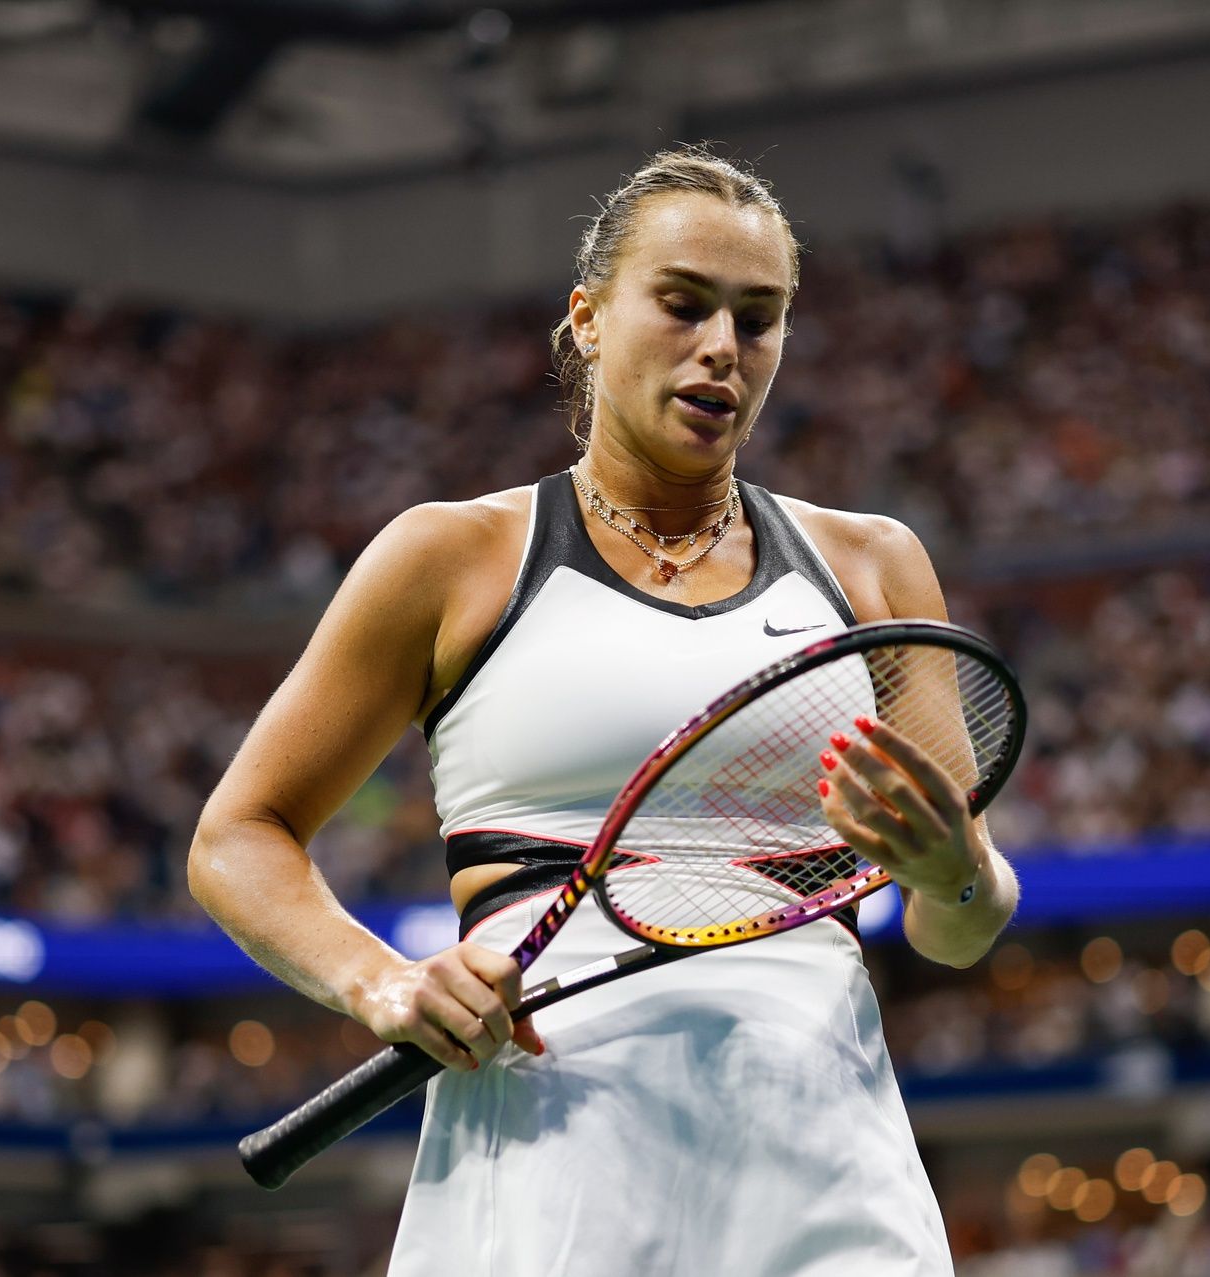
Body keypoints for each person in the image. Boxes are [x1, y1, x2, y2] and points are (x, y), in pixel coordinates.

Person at [189, 145, 1020, 1276]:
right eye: (681, 304)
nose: (722, 347)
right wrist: (381, 980)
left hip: (825, 1151)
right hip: (548, 1141)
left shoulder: (874, 565)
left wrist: (948, 868)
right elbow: (238, 835)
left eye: (759, 317)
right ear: (585, 317)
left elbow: (959, 927)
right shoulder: (454, 556)